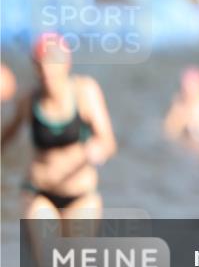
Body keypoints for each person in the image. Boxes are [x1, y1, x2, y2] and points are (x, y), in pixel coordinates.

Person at [1, 33, 117, 234]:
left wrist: (98, 150)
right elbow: (5, 136)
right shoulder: (29, 100)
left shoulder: (85, 92)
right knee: (49, 261)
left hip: (81, 196)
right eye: (42, 63)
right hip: (39, 193)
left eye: (53, 62)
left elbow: (108, 142)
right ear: (35, 66)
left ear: (66, 63)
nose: (48, 69)